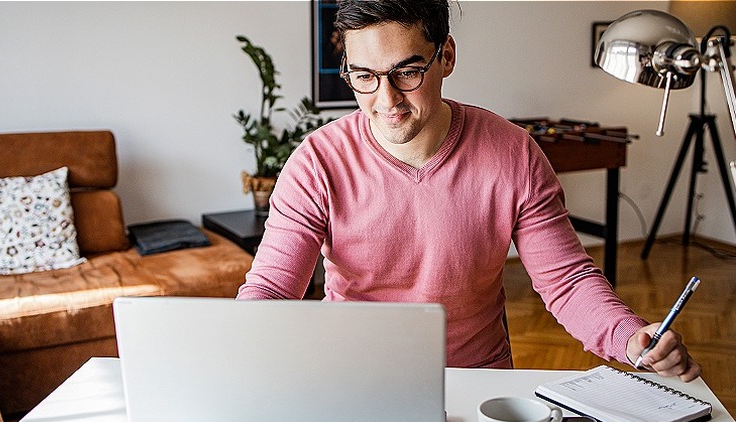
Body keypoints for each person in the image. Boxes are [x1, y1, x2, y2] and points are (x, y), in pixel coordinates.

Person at [237, 0, 701, 382]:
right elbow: (274, 288)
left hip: (477, 377)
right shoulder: (317, 161)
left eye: (407, 72)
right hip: (353, 376)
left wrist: (629, 335)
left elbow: (567, 280)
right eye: (364, 76)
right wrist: (233, 351)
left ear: (447, 57)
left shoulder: (512, 152)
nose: (386, 100)